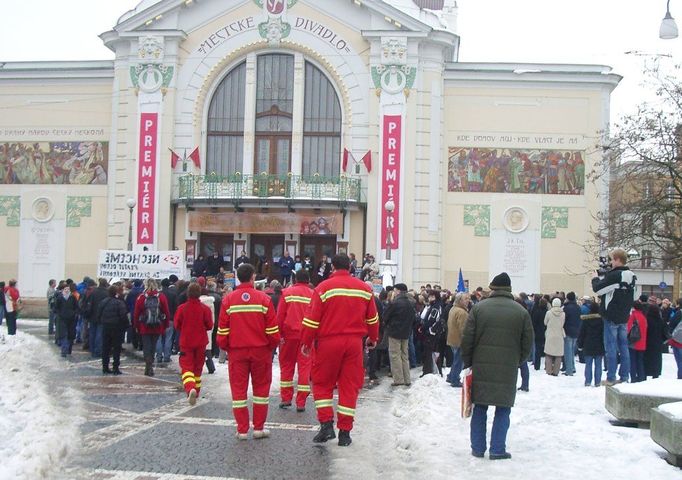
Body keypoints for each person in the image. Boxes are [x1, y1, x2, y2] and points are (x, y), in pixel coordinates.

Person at [300, 254, 379, 447]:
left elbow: (311, 320)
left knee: (322, 383)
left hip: (328, 343)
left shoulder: (323, 288)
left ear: (333, 267)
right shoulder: (364, 289)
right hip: (354, 344)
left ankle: (326, 425)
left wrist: (306, 342)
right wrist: (373, 338)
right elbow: (373, 319)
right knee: (349, 386)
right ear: (351, 267)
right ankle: (345, 432)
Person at [461, 272, 533, 460]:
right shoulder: (521, 312)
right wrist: (517, 361)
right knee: (503, 409)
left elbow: (467, 339)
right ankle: (497, 449)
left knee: (480, 407)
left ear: (492, 288)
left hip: (481, 366)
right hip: (507, 369)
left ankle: (477, 448)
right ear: (509, 289)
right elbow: (528, 344)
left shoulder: (478, 309)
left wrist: (468, 362)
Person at [216, 263, 279, 440]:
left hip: (237, 352)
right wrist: (270, 347)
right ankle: (258, 428)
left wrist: (227, 347)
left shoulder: (228, 300)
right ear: (252, 278)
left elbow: (222, 332)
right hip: (260, 352)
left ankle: (242, 429)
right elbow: (273, 331)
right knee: (261, 391)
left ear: (238, 278)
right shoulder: (263, 299)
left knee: (238, 391)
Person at [592, 248, 636, 385]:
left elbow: (598, 289)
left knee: (610, 347)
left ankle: (611, 377)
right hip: (624, 315)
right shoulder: (632, 275)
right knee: (623, 347)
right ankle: (624, 376)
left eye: (612, 259)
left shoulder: (615, 275)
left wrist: (595, 278)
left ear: (617, 260)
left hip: (611, 315)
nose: (610, 263)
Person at [276, 269, 314, 411]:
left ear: (295, 279)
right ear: (308, 280)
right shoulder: (313, 295)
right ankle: (301, 402)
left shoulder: (287, 293)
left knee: (286, 366)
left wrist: (278, 335)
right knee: (304, 368)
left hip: (288, 336)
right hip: (306, 337)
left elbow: (280, 316)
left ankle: (286, 399)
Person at [174, 283, 214, 405]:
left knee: (187, 368)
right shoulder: (205, 309)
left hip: (186, 342)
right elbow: (209, 325)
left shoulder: (182, 308)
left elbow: (177, 325)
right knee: (197, 368)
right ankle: (196, 391)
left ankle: (190, 387)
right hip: (201, 342)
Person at [133, 278, 171, 376]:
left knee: (146, 347)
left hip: (144, 325)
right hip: (157, 325)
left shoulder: (141, 297)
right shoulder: (161, 296)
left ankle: (148, 365)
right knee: (153, 346)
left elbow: (136, 313)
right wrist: (166, 324)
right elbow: (166, 311)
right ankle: (150, 365)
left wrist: (136, 325)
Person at [383, 283, 416, 387]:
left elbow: (385, 317)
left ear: (397, 291)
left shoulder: (395, 303)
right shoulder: (411, 303)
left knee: (395, 355)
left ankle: (398, 379)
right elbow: (414, 319)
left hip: (394, 332)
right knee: (404, 356)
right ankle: (407, 379)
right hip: (406, 332)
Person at [98, 284, 129, 375]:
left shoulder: (103, 302)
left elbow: (99, 314)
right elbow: (123, 315)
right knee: (116, 348)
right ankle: (115, 367)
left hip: (106, 326)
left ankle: (105, 367)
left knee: (106, 348)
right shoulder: (119, 303)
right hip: (117, 327)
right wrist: (126, 325)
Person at [577, 302, 605, 386]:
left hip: (588, 344)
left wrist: (580, 345)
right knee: (598, 365)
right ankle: (598, 382)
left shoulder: (586, 320)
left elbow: (582, 333)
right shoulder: (602, 320)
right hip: (599, 344)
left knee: (588, 364)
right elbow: (604, 334)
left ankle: (588, 381)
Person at [419, 290, 445, 376]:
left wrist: (423, 328)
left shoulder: (435, 307)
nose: (429, 298)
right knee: (433, 351)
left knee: (429, 352)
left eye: (431, 296)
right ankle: (435, 370)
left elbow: (431, 320)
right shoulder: (435, 305)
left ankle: (428, 371)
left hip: (432, 332)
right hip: (434, 332)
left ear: (435, 297)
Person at [445, 292, 469, 387]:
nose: (468, 300)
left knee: (456, 360)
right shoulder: (462, 312)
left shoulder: (453, 309)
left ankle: (451, 376)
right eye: (466, 299)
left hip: (452, 339)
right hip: (459, 340)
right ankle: (454, 379)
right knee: (458, 361)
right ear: (460, 301)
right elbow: (464, 329)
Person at [643, 296, 666, 379]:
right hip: (657, 343)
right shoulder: (661, 320)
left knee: (647, 359)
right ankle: (656, 374)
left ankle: (645, 373)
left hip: (647, 342)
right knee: (657, 359)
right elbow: (665, 333)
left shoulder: (646, 319)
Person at [627, 296, 648, 383]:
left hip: (633, 342)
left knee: (632, 361)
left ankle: (633, 377)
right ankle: (641, 377)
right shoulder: (643, 317)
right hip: (642, 343)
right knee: (640, 361)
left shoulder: (633, 316)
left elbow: (628, 328)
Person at [55, 284, 79, 356]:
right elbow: (56, 308)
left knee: (70, 334)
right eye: (65, 289)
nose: (67, 290)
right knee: (63, 334)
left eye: (68, 289)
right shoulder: (59, 298)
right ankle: (64, 350)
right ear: (63, 290)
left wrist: (74, 313)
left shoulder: (72, 298)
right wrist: (59, 314)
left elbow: (76, 307)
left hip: (71, 319)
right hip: (62, 319)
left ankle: (69, 349)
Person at [544, 298, 565, 376]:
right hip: (559, 334)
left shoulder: (548, 313)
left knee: (548, 353)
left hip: (550, 334)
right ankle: (556, 371)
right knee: (558, 355)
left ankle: (549, 371)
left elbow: (545, 322)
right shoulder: (563, 314)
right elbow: (563, 323)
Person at [562, 292, 581, 376]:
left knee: (567, 351)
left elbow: (564, 320)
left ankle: (569, 370)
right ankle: (572, 367)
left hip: (568, 331)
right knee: (572, 351)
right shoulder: (578, 307)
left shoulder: (566, 308)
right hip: (576, 330)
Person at [530, 297, 548, 370]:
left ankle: (537, 365)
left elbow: (533, 322)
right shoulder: (547, 312)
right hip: (546, 332)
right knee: (547, 349)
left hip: (538, 332)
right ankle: (547, 365)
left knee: (537, 349)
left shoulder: (537, 312)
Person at [669, 299, 682, 379]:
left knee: (679, 361)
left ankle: (680, 377)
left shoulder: (678, 313)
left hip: (676, 340)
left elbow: (671, 323)